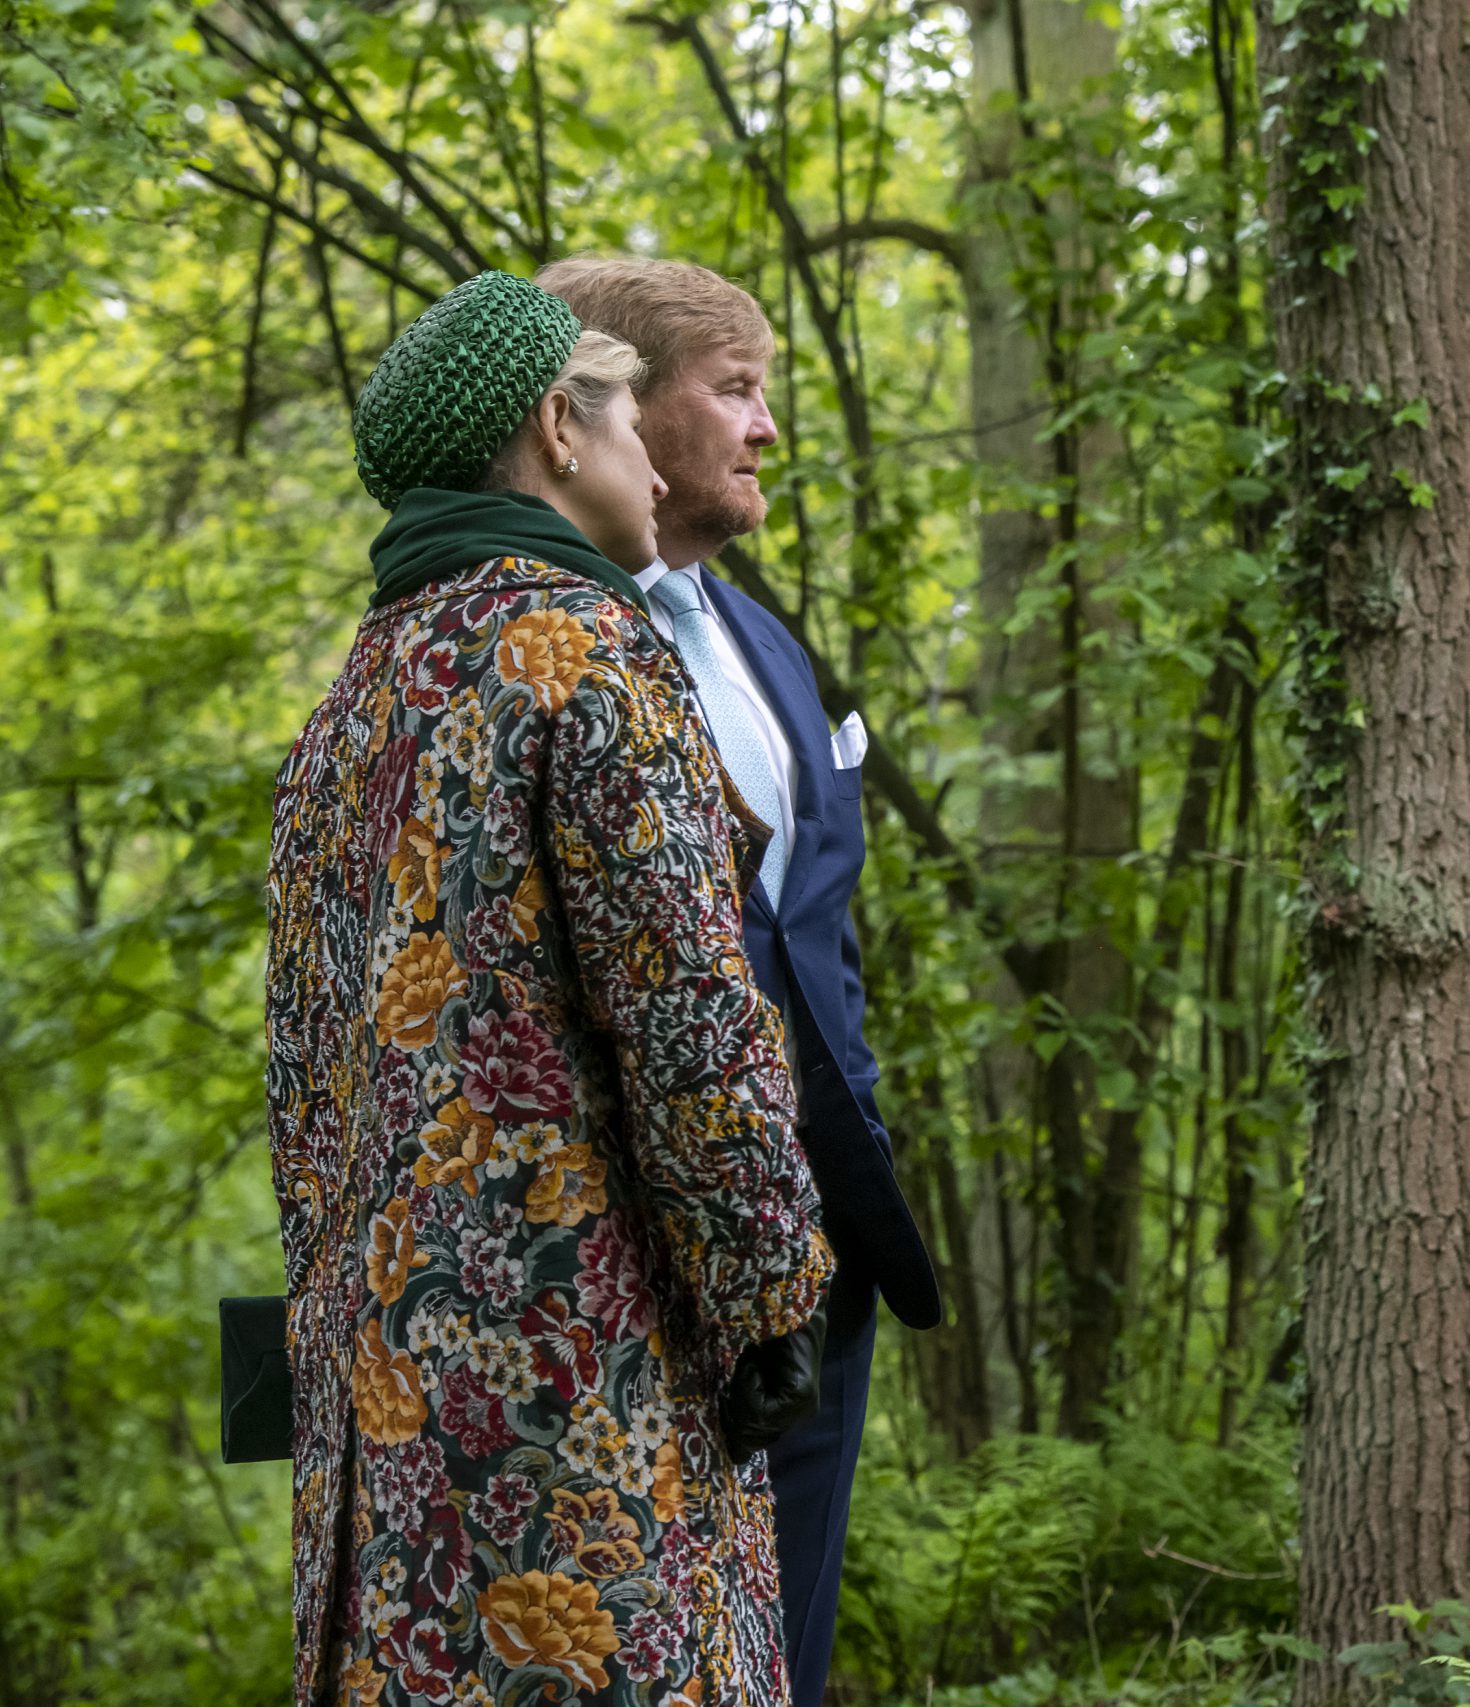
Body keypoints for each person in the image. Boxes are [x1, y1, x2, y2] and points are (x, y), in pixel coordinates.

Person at [264, 270, 833, 1706]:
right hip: (582, 1402)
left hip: (382, 1416)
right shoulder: (585, 652)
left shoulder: (355, 699)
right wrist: (773, 1298)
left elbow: (302, 1074)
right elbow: (694, 1021)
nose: (656, 452)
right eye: (635, 412)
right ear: (557, 430)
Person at [533, 255, 944, 1707]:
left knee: (796, 1644)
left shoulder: (767, 640)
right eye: (738, 391)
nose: (766, 428)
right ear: (619, 408)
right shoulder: (542, 646)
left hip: (824, 1239)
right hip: (628, 1251)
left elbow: (810, 929)